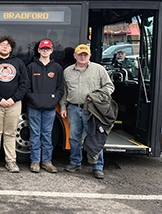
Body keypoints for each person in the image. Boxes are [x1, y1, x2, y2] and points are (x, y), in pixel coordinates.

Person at [60, 44, 114, 179]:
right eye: (80, 54)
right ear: (75, 56)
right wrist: (62, 107)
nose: (82, 57)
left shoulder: (99, 69)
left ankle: (97, 166)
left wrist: (97, 96)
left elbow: (109, 87)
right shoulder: (67, 71)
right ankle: (75, 162)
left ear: (90, 55)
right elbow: (64, 92)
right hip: (73, 108)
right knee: (73, 138)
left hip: (92, 109)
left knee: (94, 137)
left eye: (85, 54)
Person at [0, 35, 29, 173]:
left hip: (14, 104)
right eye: (2, 44)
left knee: (10, 133)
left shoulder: (18, 63)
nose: (4, 47)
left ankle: (11, 162)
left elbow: (24, 83)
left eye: (7, 45)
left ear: (11, 48)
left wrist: (13, 99)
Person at [26, 39, 64, 173]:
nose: (45, 51)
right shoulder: (31, 67)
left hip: (50, 108)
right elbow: (27, 87)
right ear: (39, 50)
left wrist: (54, 101)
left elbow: (60, 88)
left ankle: (47, 162)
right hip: (33, 107)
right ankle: (35, 161)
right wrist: (33, 99)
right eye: (43, 49)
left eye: (47, 49)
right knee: (35, 134)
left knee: (47, 135)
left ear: (52, 50)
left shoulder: (57, 68)